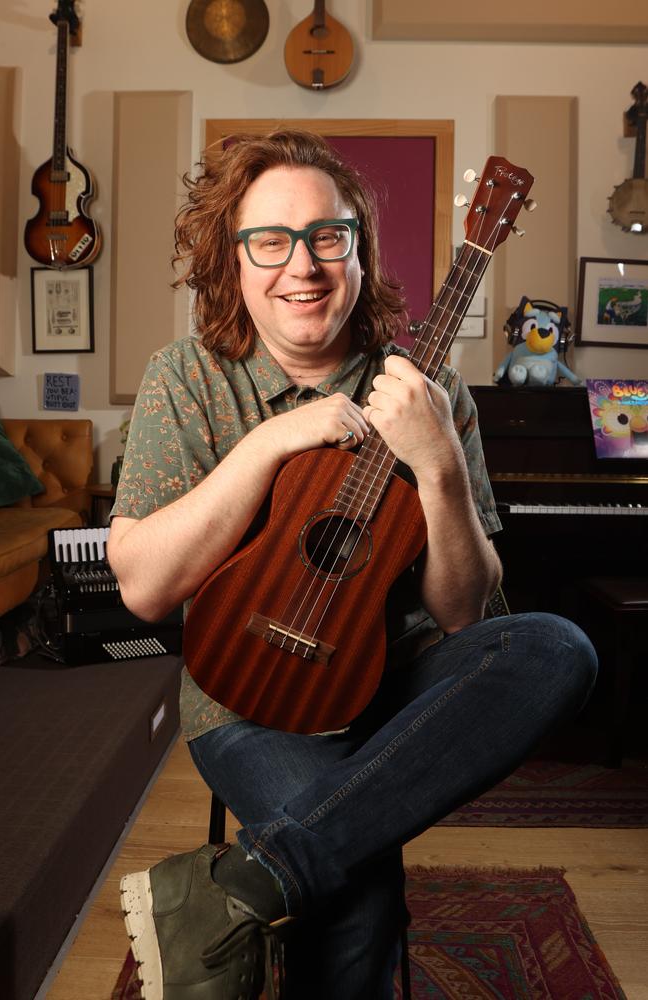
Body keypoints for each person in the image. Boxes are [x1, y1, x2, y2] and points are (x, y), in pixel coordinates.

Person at [108, 128, 597, 1000]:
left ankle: (245, 883)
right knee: (359, 887)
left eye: (328, 237)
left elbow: (465, 621)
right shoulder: (184, 377)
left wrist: (438, 461)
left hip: (398, 680)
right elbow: (144, 588)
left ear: (360, 252)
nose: (303, 265)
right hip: (251, 694)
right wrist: (269, 441)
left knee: (558, 647)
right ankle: (291, 870)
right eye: (271, 240)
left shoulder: (425, 385)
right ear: (233, 260)